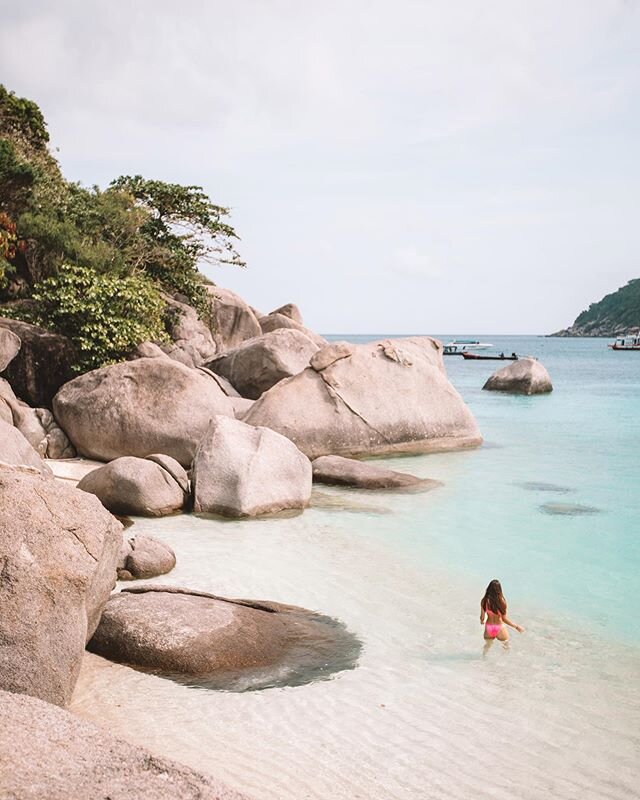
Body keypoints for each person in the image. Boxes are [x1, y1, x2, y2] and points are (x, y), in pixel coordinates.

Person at [480, 579, 524, 655]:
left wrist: (482, 621)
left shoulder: (484, 601)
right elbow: (504, 619)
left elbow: (482, 618)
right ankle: (505, 664)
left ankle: (483, 660)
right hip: (499, 627)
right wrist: (516, 626)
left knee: (487, 646)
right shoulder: (501, 602)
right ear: (499, 590)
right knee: (506, 647)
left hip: (489, 627)